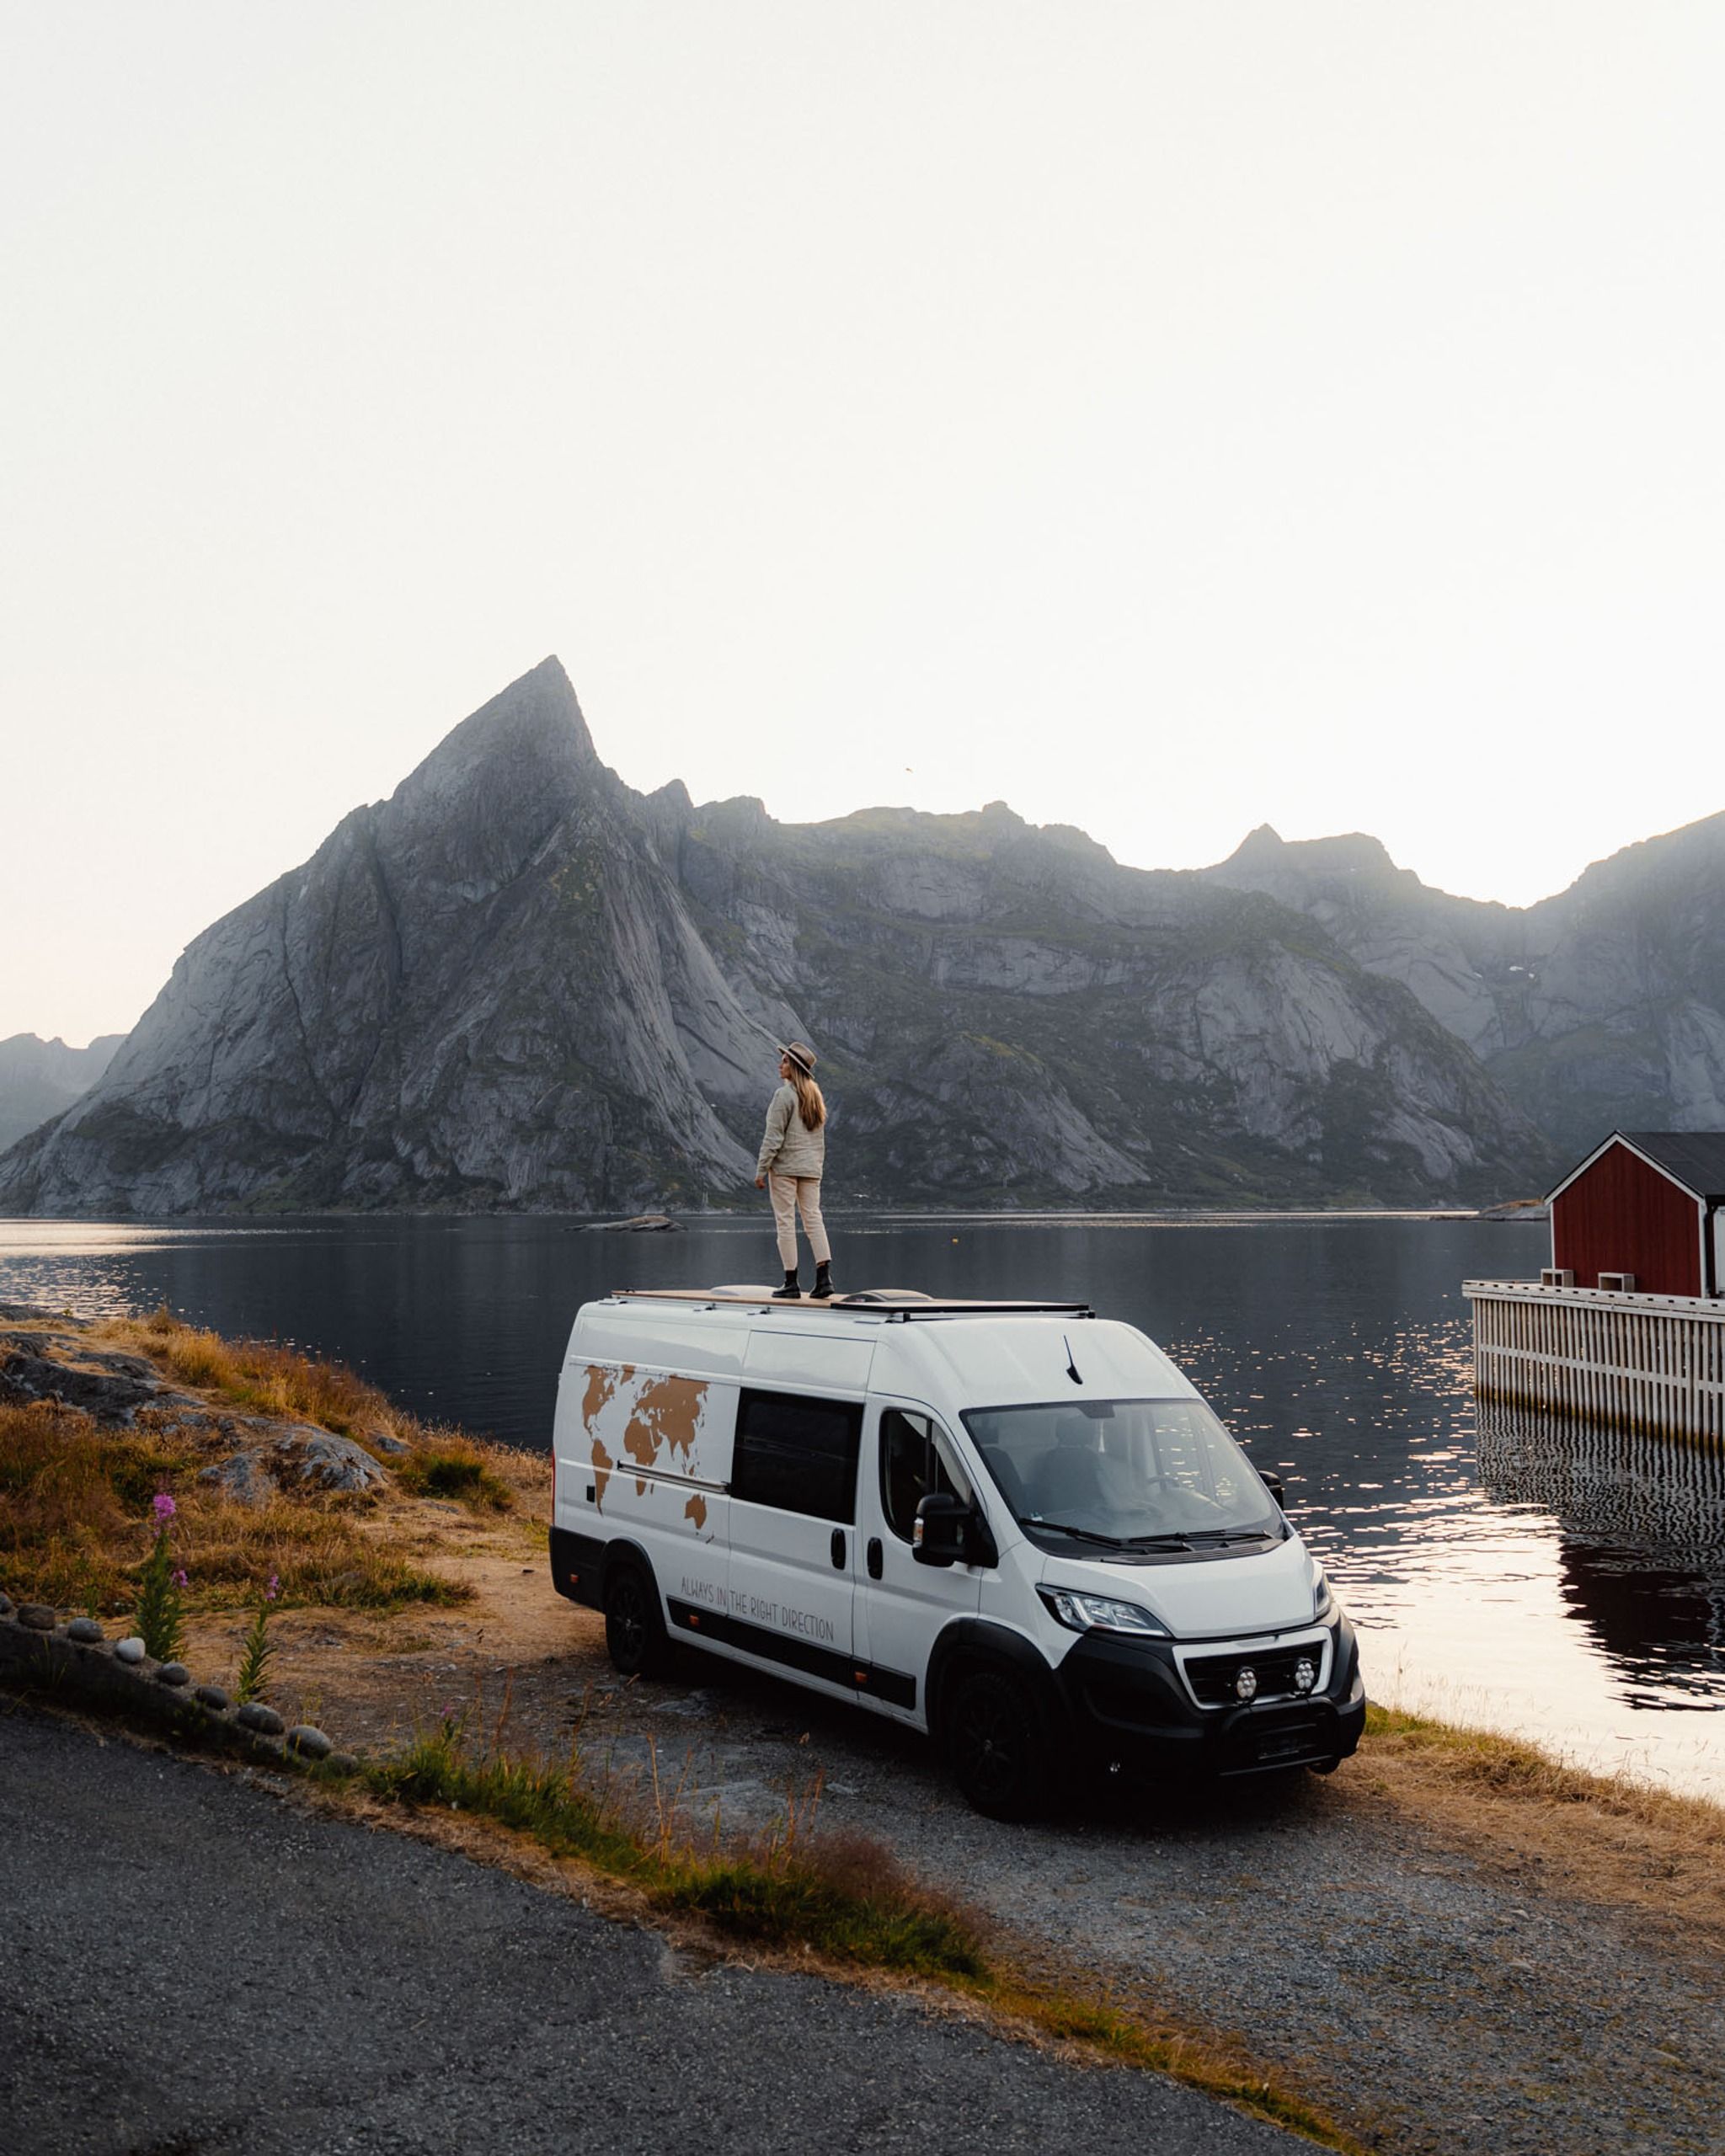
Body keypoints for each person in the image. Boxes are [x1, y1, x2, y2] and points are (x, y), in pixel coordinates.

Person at [754, 1040, 833, 1300]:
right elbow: (818, 1140)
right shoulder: (815, 1095)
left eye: (785, 1061)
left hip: (786, 1168)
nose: (780, 1064)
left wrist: (762, 1169)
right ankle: (824, 1280)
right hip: (811, 1169)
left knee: (785, 1222)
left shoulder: (784, 1095)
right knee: (813, 1220)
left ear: (795, 1067)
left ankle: (791, 1283)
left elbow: (773, 1137)